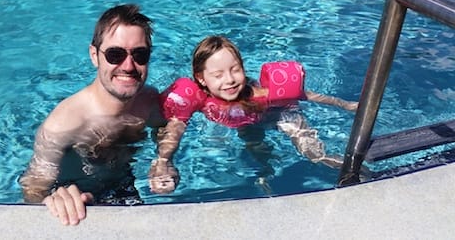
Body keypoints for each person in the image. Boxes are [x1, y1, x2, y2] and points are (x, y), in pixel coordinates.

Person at [148, 35, 359, 194]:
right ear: (201, 78)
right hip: (242, 123)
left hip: (271, 115)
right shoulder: (198, 98)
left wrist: (345, 105)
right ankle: (265, 174)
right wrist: (163, 159)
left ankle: (352, 168)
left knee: (311, 153)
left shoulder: (258, 93)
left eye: (235, 69)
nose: (229, 80)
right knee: (256, 148)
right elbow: (175, 127)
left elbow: (306, 95)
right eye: (218, 75)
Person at [19, 4, 166, 225]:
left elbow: (163, 127)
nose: (128, 66)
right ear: (94, 55)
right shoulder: (63, 125)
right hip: (80, 204)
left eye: (139, 54)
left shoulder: (148, 101)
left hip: (124, 186)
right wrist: (53, 200)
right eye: (115, 54)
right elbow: (32, 189)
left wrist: (164, 159)